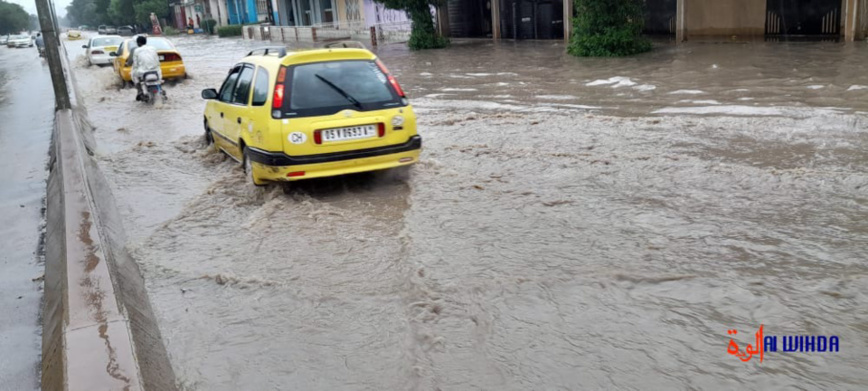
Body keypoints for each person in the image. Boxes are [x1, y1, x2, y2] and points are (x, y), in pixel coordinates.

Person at [129, 35, 161, 100]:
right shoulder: (153, 48)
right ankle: (160, 90)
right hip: (155, 71)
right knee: (159, 80)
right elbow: (157, 61)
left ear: (138, 43)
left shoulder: (136, 50)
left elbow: (135, 64)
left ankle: (140, 91)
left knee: (134, 75)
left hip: (143, 72)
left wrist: (134, 72)